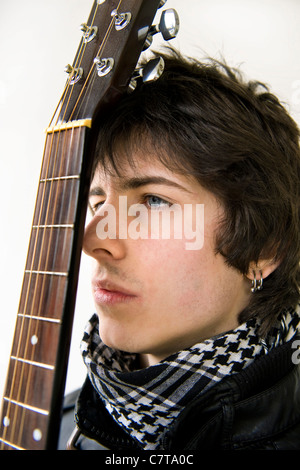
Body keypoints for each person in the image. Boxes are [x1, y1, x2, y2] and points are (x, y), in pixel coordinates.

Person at [60, 49, 300, 451]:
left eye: (153, 201)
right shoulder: (61, 423)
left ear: (263, 247)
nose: (94, 241)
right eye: (98, 203)